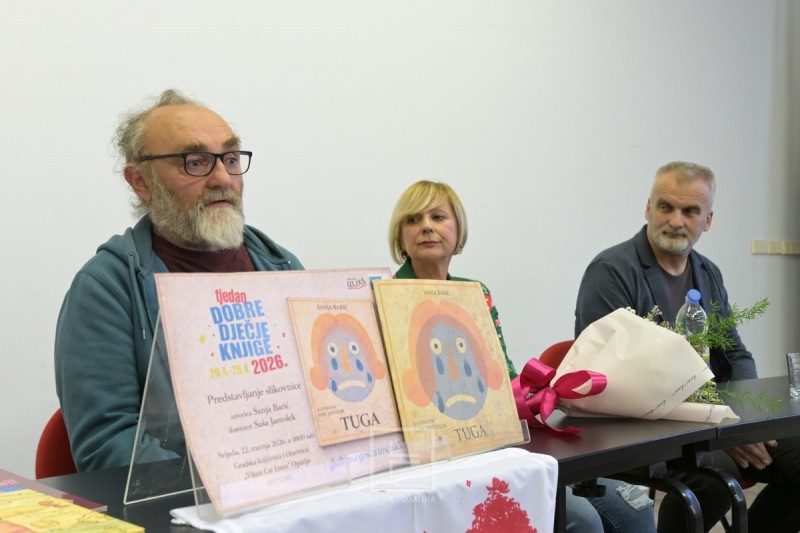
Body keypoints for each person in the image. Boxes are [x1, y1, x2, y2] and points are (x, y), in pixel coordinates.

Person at [54, 89, 303, 472]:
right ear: (141, 181)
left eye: (231, 159)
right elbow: (109, 443)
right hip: (188, 499)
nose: (223, 179)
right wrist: (226, 485)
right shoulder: (106, 288)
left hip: (291, 484)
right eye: (196, 162)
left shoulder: (280, 267)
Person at [389, 180, 656, 533]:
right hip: (436, 461)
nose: (426, 226)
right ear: (400, 235)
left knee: (636, 507)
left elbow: (505, 376)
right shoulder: (384, 296)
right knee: (582, 519)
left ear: (458, 229)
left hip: (498, 444)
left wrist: (539, 399)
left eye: (437, 217)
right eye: (413, 219)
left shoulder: (476, 292)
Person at [574, 161, 800, 533]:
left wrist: (741, 421)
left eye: (690, 211)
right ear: (648, 208)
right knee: (715, 481)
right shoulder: (611, 271)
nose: (676, 221)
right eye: (666, 207)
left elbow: (736, 355)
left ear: (707, 220)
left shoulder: (707, 272)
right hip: (641, 426)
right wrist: (718, 425)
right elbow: (613, 378)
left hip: (716, 420)